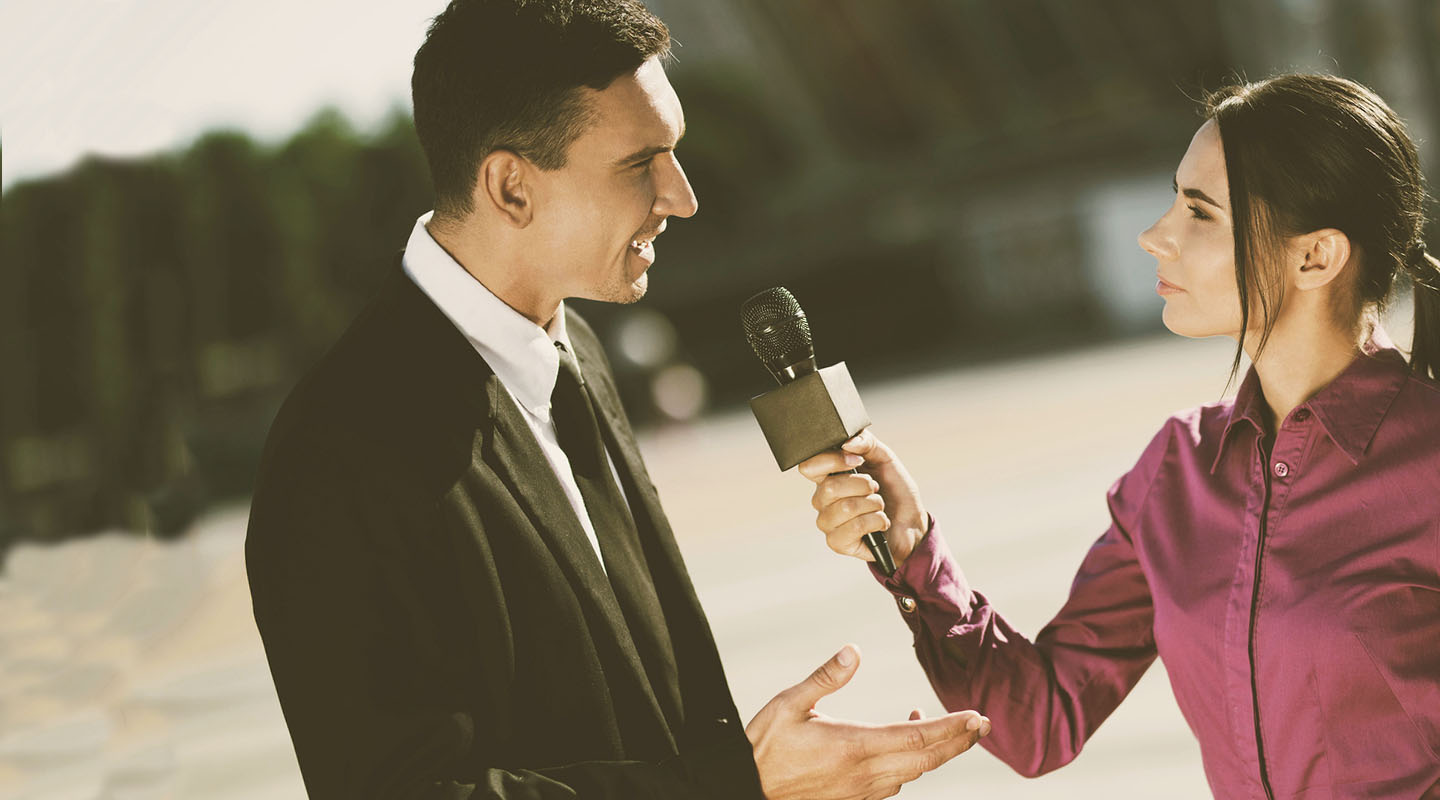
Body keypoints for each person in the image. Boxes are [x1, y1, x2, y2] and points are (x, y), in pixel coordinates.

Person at [798, 74, 1440, 799]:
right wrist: (910, 552)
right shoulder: (1177, 473)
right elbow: (1040, 719)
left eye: (1198, 210)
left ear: (1316, 257)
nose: (1156, 235)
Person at [244, 1, 987, 797]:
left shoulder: (577, 354)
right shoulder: (334, 455)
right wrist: (736, 787)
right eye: (642, 163)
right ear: (511, 187)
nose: (683, 196)